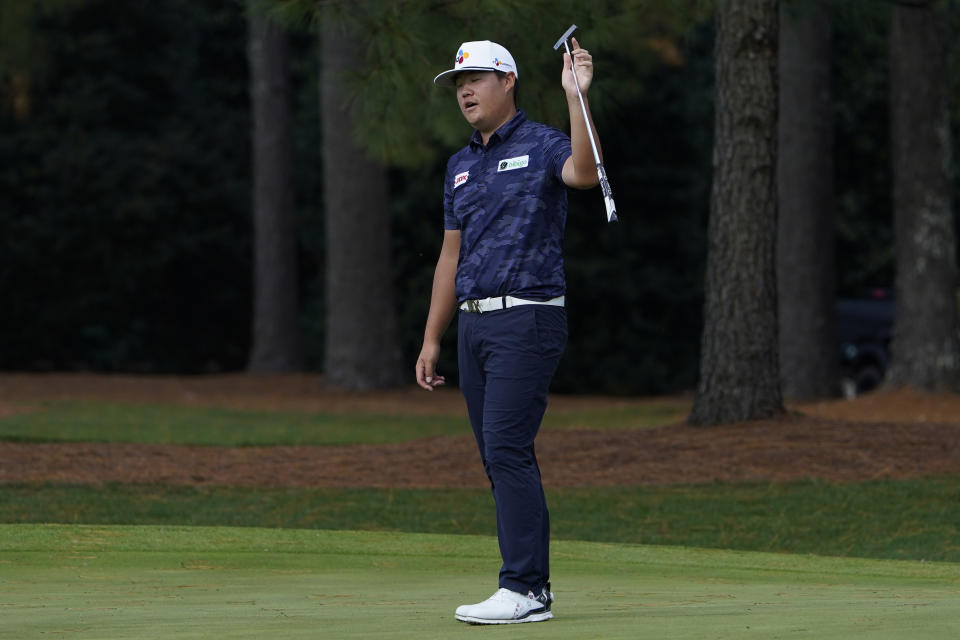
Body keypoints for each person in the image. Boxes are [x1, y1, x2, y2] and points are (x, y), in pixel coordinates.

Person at [415, 37, 602, 625]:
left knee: (506, 449)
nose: (464, 90)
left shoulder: (545, 142)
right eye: (457, 84)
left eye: (475, 79)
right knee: (499, 457)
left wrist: (577, 98)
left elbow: (584, 173)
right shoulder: (461, 164)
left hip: (528, 314)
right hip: (473, 326)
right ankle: (529, 586)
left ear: (508, 81)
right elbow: (450, 258)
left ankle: (523, 587)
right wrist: (431, 338)